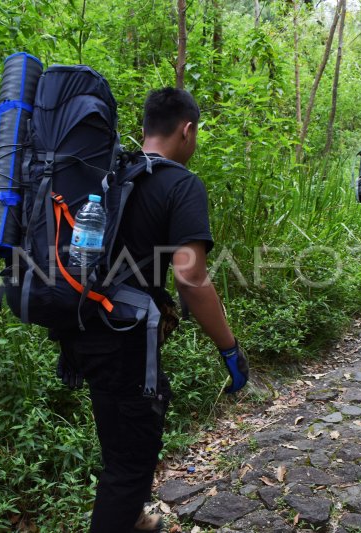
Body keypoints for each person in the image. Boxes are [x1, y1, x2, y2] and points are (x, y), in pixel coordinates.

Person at [57, 88, 248, 533]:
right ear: (187, 130)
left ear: (143, 129)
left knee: (121, 446)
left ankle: (137, 520)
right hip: (123, 341)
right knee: (128, 466)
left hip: (81, 328)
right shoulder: (180, 183)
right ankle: (127, 515)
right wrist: (229, 349)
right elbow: (191, 277)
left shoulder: (106, 174)